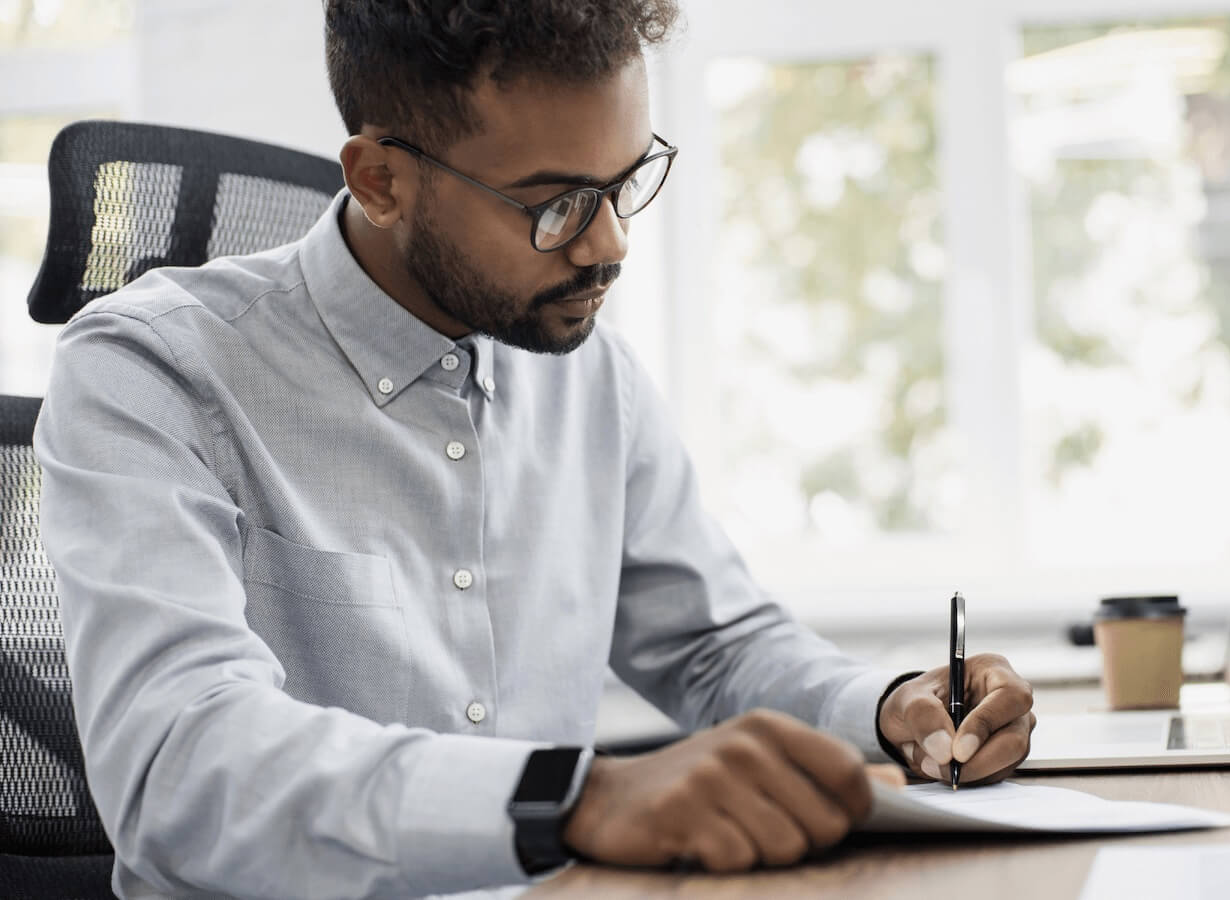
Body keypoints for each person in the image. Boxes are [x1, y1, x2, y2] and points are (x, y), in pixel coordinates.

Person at [35, 1, 1036, 896]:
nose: (608, 246)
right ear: (381, 180)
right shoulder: (153, 373)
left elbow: (711, 645)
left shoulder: (584, 371)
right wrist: (572, 800)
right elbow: (176, 767)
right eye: (555, 204)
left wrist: (894, 706)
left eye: (624, 181)